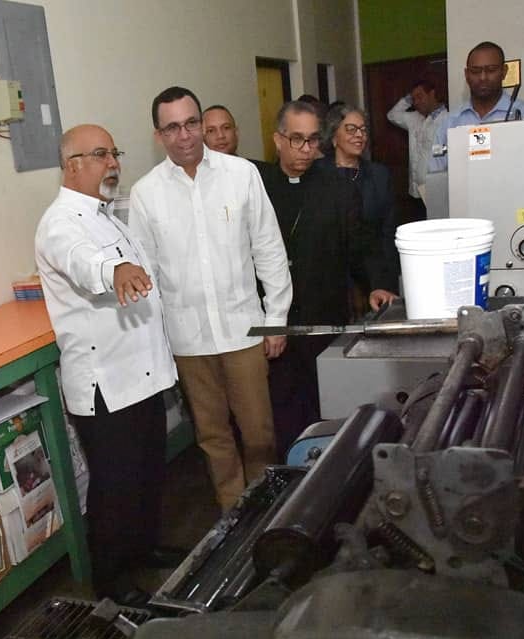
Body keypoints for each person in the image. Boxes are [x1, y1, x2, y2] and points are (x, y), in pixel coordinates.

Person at [35, 124, 179, 605]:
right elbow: (82, 262)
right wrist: (112, 270)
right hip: (106, 385)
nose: (113, 163)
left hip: (142, 375)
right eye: (101, 155)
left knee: (147, 473)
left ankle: (144, 550)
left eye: (114, 153)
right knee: (114, 488)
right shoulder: (60, 223)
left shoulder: (110, 217)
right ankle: (111, 583)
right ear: (72, 164)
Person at [130, 86, 292, 512]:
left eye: (191, 123)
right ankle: (234, 518)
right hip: (189, 340)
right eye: (172, 127)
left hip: (244, 332)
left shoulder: (241, 175)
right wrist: (160, 342)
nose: (185, 135)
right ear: (158, 135)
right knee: (213, 438)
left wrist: (275, 319)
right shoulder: (146, 194)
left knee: (259, 434)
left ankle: (267, 513)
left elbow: (270, 250)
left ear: (201, 123)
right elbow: (147, 273)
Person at [260, 100, 397, 455]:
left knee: (329, 401)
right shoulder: (259, 186)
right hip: (278, 321)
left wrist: (376, 283)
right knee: (285, 410)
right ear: (277, 140)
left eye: (313, 140)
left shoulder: (336, 187)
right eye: (297, 140)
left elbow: (360, 245)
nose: (307, 150)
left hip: (325, 315)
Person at [323, 105, 402, 309]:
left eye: (363, 129)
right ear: (333, 136)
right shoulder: (317, 176)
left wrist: (386, 284)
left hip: (374, 280)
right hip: (331, 283)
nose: (359, 135)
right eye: (351, 129)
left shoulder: (379, 175)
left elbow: (388, 234)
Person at [430, 41, 524, 172]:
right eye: (475, 71)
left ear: (504, 72)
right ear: (466, 75)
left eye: (491, 70)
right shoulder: (450, 122)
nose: (483, 77)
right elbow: (435, 173)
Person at [387, 79, 448, 217]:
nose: (416, 102)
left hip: (435, 190)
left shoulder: (448, 120)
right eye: (413, 99)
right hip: (415, 191)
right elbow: (392, 115)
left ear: (432, 94)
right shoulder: (414, 118)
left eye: (420, 96)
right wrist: (407, 99)